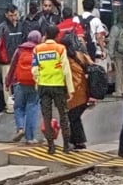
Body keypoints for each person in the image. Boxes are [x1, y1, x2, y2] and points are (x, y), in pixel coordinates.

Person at [32, 25, 74, 155]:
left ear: (45, 34)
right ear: (57, 36)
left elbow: (34, 69)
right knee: (63, 115)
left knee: (47, 116)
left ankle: (51, 146)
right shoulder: (60, 48)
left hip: (43, 86)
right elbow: (66, 70)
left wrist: (37, 81)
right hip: (58, 86)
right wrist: (70, 89)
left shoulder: (37, 49)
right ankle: (66, 146)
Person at [5, 30, 41, 145]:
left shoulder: (20, 49)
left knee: (18, 107)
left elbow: (12, 66)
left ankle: (20, 128)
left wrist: (7, 82)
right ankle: (30, 138)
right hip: (34, 83)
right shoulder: (39, 50)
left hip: (19, 82)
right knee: (32, 108)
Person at [61, 34, 94, 151]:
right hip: (84, 90)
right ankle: (77, 141)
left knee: (73, 117)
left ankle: (77, 141)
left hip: (74, 91)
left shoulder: (65, 59)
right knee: (75, 117)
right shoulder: (80, 55)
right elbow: (92, 65)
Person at [0, 5, 23, 113]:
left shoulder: (21, 25)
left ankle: (20, 103)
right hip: (6, 61)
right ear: (6, 15)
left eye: (15, 15)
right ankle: (10, 106)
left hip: (19, 60)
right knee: (7, 84)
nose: (13, 18)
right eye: (11, 15)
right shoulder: (2, 27)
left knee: (19, 82)